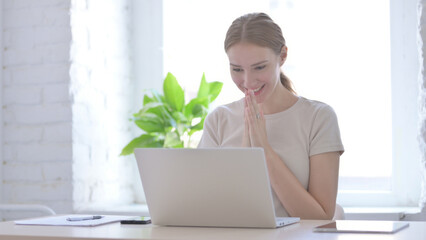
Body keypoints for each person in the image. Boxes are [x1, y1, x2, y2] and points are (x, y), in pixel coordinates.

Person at [198, 12, 344, 220]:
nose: (248, 81)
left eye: (259, 67)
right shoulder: (218, 120)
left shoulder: (318, 118)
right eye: (237, 69)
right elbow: (208, 208)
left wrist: (264, 150)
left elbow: (320, 217)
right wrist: (245, 152)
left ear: (282, 56)